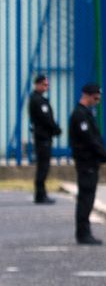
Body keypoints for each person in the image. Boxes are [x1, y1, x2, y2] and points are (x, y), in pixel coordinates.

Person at [68, 82, 106, 245]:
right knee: (86, 199)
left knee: (88, 198)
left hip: (90, 163)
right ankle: (83, 233)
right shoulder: (80, 115)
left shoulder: (86, 113)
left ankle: (84, 232)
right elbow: (90, 140)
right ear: (87, 95)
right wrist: (104, 155)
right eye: (95, 98)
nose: (97, 101)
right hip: (86, 163)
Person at [28, 73, 62, 205]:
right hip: (43, 137)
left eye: (47, 84)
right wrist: (56, 129)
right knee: (43, 167)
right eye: (44, 84)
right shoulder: (38, 100)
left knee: (43, 166)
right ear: (37, 84)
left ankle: (41, 194)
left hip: (43, 136)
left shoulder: (38, 99)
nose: (46, 87)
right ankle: (40, 195)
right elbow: (46, 119)